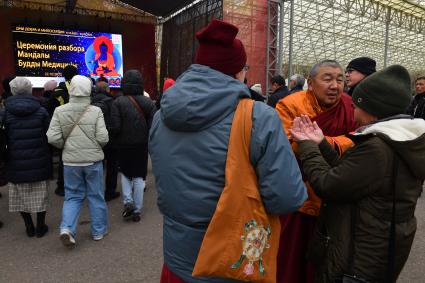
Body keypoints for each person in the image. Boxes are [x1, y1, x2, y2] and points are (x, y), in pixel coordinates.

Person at [149, 19, 307, 283]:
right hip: (232, 261)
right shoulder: (258, 117)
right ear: (237, 71)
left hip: (177, 261)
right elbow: (287, 198)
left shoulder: (161, 115)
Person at [290, 65, 423, 283]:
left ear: (371, 109)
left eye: (355, 106)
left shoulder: (377, 148)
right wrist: (322, 143)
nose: (352, 112)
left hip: (358, 255)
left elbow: (328, 184)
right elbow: (353, 174)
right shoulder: (402, 140)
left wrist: (307, 146)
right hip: (381, 247)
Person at [275, 60, 357, 283]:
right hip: (301, 195)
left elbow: (358, 141)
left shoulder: (350, 106)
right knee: (293, 259)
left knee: (333, 260)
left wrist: (320, 141)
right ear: (310, 83)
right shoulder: (290, 104)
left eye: (340, 80)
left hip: (338, 195)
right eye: (328, 78)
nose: (335, 85)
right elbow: (286, 144)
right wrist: (325, 144)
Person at [47, 75, 109, 247]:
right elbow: (103, 137)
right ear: (89, 90)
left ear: (71, 89)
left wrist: (65, 146)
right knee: (96, 196)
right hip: (92, 161)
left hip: (70, 162)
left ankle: (67, 228)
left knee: (72, 197)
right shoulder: (95, 111)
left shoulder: (60, 111)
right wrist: (95, 146)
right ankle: (98, 231)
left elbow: (52, 137)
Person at [1, 77, 51, 238]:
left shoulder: (5, 112)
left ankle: (29, 226)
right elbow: (48, 134)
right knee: (40, 193)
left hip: (15, 160)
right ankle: (40, 226)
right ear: (30, 89)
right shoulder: (41, 110)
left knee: (19, 196)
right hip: (39, 158)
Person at [110, 70, 156, 222]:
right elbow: (153, 127)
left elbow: (115, 127)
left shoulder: (117, 102)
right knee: (138, 175)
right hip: (141, 145)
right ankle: (137, 209)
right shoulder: (148, 103)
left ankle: (128, 201)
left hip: (123, 145)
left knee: (124, 173)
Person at [91, 81, 120, 201]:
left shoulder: (90, 102)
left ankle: (95, 192)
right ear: (107, 90)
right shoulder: (112, 102)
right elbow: (115, 121)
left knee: (96, 166)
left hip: (93, 139)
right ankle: (110, 191)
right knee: (112, 166)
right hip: (110, 139)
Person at [53, 65, 79, 196]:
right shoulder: (82, 89)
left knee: (64, 157)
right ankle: (77, 185)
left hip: (63, 127)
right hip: (80, 126)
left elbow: (52, 110)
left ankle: (61, 186)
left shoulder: (57, 91)